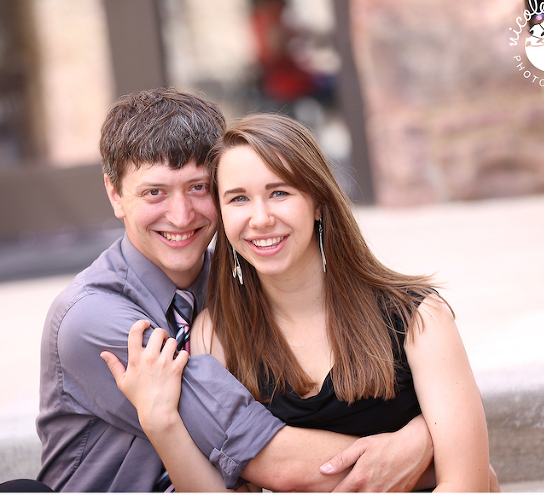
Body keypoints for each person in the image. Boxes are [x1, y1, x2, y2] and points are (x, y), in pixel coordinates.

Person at [37, 89, 436, 492]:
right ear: (115, 194)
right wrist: (431, 455)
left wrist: (422, 437)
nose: (180, 215)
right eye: (154, 192)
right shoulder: (91, 318)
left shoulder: (236, 289)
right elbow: (266, 455)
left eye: (198, 188)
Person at [103, 113, 498, 491]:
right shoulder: (216, 336)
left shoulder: (418, 318)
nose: (260, 218)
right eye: (238, 199)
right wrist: (161, 424)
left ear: (319, 204)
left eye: (279, 193)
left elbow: (469, 485)